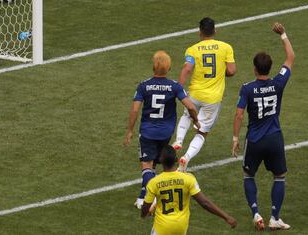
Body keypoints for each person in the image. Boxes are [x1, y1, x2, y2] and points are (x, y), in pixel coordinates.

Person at [232, 22, 294, 231]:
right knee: (279, 176)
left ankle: (256, 212)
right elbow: (290, 58)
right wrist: (283, 34)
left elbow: (239, 114)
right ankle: (275, 217)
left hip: (255, 139)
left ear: (254, 68)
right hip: (275, 137)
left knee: (249, 175)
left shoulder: (247, 88)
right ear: (269, 68)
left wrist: (235, 138)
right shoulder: (278, 83)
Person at [123, 50, 199, 209]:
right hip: (166, 133)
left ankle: (147, 200)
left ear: (153, 67)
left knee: (147, 165)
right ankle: (144, 194)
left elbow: (135, 110)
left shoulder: (144, 85)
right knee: (155, 163)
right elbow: (190, 106)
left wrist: (129, 130)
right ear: (169, 68)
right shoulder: (174, 86)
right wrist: (196, 120)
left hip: (148, 132)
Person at [172, 17, 236, 172]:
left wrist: (178, 90)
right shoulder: (226, 47)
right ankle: (186, 158)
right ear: (215, 30)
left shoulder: (192, 49)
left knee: (187, 115)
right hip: (213, 98)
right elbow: (232, 71)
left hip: (195, 93)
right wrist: (221, 72)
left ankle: (178, 140)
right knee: (202, 131)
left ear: (199, 32)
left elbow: (187, 69)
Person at [141, 145, 237, 235]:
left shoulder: (154, 182)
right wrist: (226, 217)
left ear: (161, 160)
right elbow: (205, 203)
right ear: (176, 159)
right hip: (181, 228)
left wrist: (144, 214)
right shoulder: (188, 179)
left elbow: (146, 206)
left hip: (161, 228)